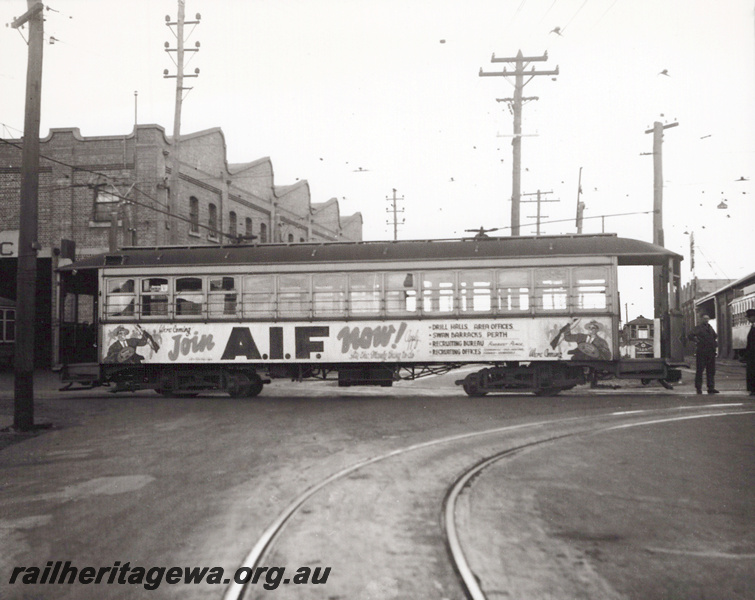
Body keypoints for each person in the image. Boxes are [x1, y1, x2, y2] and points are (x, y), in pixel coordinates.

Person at [688, 313, 719, 394]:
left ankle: (711, 387)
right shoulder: (698, 328)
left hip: (711, 352)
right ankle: (698, 388)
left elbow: (715, 336)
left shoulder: (710, 327)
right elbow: (690, 335)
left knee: (711, 370)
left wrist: (714, 343)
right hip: (702, 351)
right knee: (700, 370)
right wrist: (697, 340)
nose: (706, 320)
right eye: (705, 318)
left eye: (707, 318)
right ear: (701, 319)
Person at [745, 308, 755, 396]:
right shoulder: (753, 326)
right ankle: (752, 389)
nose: (748, 319)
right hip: (751, 354)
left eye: (749, 317)